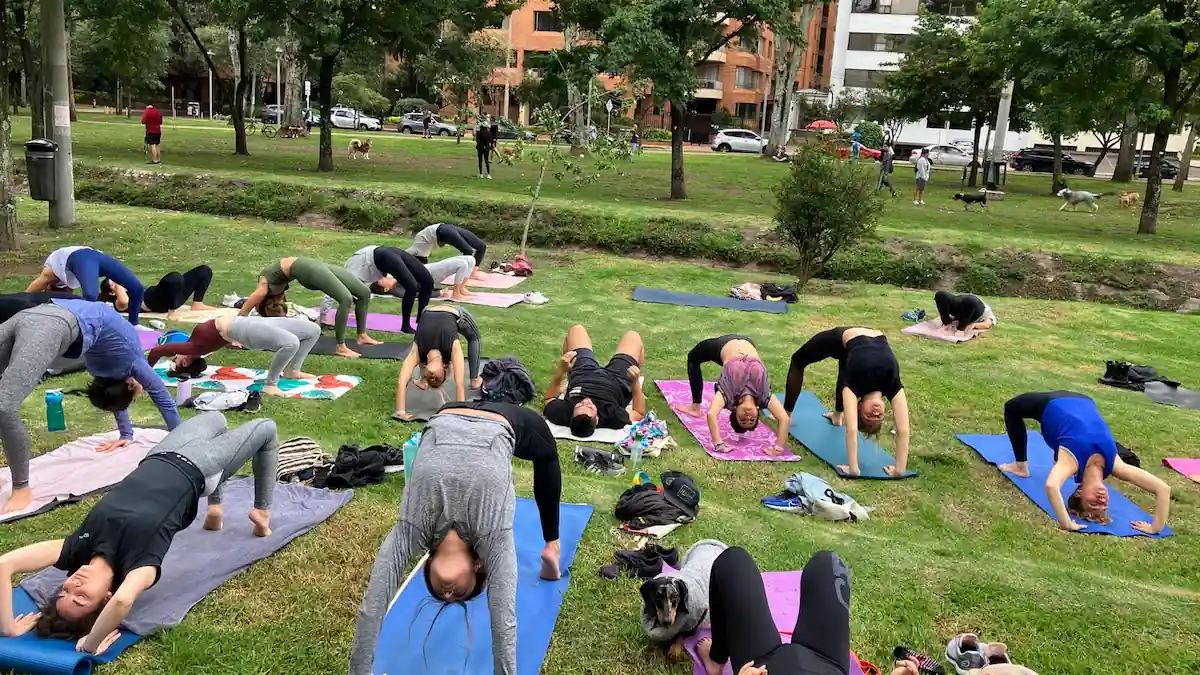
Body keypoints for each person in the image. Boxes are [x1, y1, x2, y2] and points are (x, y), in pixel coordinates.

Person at [0, 412, 278, 649]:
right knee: (266, 428)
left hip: (159, 455)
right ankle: (261, 511)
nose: (74, 586)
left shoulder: (75, 549)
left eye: (65, 592)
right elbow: (123, 600)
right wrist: (90, 643)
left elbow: (5, 564)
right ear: (105, 598)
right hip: (200, 467)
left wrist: (10, 628)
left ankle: (215, 508)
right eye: (82, 597)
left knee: (216, 418)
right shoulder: (139, 564)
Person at [348, 401, 563, 675]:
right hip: (509, 420)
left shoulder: (412, 530)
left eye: (440, 593)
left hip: (447, 414)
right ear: (477, 566)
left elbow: (372, 607)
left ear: (428, 568)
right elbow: (504, 621)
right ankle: (552, 545)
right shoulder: (492, 537)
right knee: (547, 455)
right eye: (460, 592)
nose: (448, 592)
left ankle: (552, 546)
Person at [0, 299, 181, 514]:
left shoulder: (108, 370)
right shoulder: (134, 362)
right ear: (130, 385)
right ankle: (21, 488)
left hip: (35, 313)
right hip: (54, 323)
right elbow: (164, 399)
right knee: (4, 406)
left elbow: (116, 394)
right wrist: (181, 440)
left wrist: (126, 433)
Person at [1000, 391, 1171, 534]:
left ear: (1079, 494)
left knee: (1011, 408)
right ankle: (1050, 453)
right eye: (1103, 505)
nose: (1101, 501)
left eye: (1093, 503)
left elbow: (1052, 486)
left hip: (1051, 404)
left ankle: (1021, 466)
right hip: (1084, 400)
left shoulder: (1071, 462)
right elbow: (1163, 489)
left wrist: (1066, 523)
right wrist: (1155, 527)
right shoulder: (1116, 465)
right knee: (1063, 442)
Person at [693, 546, 853, 675]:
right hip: (826, 665)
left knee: (732, 561)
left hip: (765, 666)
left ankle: (716, 660)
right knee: (827, 562)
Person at [783, 327, 910, 477]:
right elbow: (903, 430)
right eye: (878, 417)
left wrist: (853, 468)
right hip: (869, 335)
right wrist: (899, 470)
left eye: (869, 416)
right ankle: (790, 414)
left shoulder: (853, 387)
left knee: (801, 360)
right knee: (803, 360)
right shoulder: (892, 385)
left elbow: (851, 429)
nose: (875, 413)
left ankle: (792, 415)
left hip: (844, 339)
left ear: (859, 406)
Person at [238, 257, 380, 358]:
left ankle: (362, 335)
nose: (280, 304)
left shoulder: (263, 289)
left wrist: (238, 322)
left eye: (274, 308)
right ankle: (340, 347)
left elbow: (249, 303)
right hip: (308, 269)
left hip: (311, 264)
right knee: (345, 299)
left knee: (364, 293)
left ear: (266, 305)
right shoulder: (272, 290)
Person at [672, 335, 791, 455]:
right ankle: (695, 407)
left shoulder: (728, 395)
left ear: (735, 410)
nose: (748, 416)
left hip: (723, 345)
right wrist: (778, 449)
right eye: (752, 419)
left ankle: (695, 407)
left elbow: (711, 414)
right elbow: (784, 419)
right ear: (757, 410)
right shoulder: (763, 396)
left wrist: (719, 444)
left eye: (743, 419)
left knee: (693, 357)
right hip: (747, 341)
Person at [147, 315, 320, 397]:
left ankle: (292, 370)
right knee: (291, 343)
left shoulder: (199, 348)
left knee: (313, 330)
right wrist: (145, 374)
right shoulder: (194, 346)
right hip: (246, 329)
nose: (174, 356)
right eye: (175, 359)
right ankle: (270, 384)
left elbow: (161, 351)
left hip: (249, 321)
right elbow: (156, 351)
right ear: (184, 362)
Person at [543, 324, 646, 437]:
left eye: (579, 404)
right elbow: (639, 412)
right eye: (590, 407)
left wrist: (561, 371)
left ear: (571, 414)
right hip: (617, 379)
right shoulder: (612, 417)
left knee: (576, 330)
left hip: (583, 373)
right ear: (597, 420)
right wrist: (635, 381)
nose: (587, 401)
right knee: (633, 336)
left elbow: (549, 398)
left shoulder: (562, 412)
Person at [393, 306, 483, 421]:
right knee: (474, 338)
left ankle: (422, 381)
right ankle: (474, 380)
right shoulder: (420, 350)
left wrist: (401, 412)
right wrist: (401, 412)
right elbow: (459, 383)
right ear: (445, 366)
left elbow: (459, 383)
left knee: (474, 338)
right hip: (432, 310)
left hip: (444, 310)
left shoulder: (449, 347)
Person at [27, 247, 146, 325]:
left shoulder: (49, 273)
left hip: (85, 256)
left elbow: (27, 295)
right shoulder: (67, 280)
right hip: (90, 258)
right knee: (90, 297)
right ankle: (91, 329)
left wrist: (20, 306)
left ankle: (133, 325)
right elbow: (71, 299)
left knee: (137, 288)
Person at [341, 245, 436, 334]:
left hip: (384, 253)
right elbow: (363, 297)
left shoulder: (351, 272)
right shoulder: (363, 279)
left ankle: (420, 320)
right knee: (413, 287)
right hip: (387, 254)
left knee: (427, 282)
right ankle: (406, 326)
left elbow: (337, 287)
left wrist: (327, 311)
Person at [100, 265, 216, 321]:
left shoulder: (129, 287)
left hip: (172, 295)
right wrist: (118, 284)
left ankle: (197, 303)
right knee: (175, 277)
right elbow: (124, 301)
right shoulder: (118, 303)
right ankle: (172, 311)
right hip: (156, 302)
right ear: (111, 293)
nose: (119, 282)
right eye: (114, 284)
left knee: (204, 270)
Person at [407, 223, 488, 281]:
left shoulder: (417, 248)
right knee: (468, 251)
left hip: (443, 228)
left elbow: (401, 254)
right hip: (444, 229)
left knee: (481, 246)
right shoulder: (422, 251)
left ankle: (472, 273)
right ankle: (464, 276)